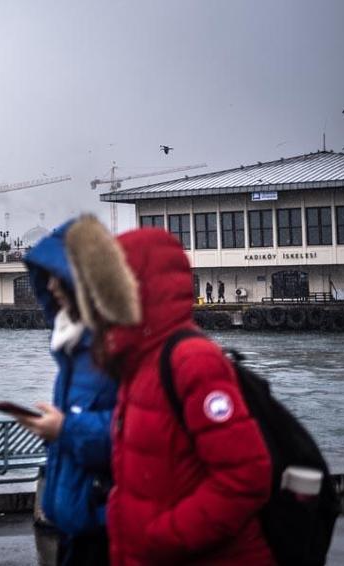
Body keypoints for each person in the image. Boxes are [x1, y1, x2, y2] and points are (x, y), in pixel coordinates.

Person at [64, 216, 273, 565]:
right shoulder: (138, 366)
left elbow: (246, 477)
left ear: (138, 288)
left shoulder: (192, 362)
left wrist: (162, 538)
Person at [16, 220, 115, 565]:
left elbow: (139, 434)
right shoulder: (74, 350)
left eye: (59, 275)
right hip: (74, 524)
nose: (51, 285)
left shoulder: (113, 350)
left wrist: (64, 430)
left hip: (105, 531)